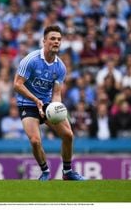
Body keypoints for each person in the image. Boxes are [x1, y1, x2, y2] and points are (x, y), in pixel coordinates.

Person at [13, 25, 84, 181]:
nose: (56, 42)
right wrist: (35, 100)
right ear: (44, 41)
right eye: (52, 38)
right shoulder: (31, 60)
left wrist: (54, 107)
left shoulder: (61, 68)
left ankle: (67, 172)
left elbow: (57, 93)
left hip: (46, 104)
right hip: (28, 103)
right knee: (35, 140)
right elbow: (17, 84)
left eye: (59, 39)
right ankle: (45, 171)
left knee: (68, 135)